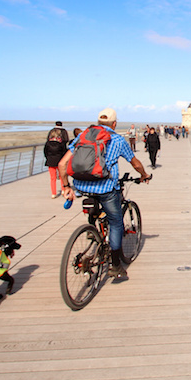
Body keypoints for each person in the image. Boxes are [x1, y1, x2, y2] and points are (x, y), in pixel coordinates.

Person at [59, 108, 151, 279]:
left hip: (81, 186)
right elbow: (135, 163)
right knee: (116, 223)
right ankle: (115, 266)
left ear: (99, 122)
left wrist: (66, 187)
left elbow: (62, 164)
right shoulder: (117, 139)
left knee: (95, 205)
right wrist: (144, 175)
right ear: (114, 124)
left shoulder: (83, 135)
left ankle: (92, 228)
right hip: (106, 187)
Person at [43, 130, 68, 198]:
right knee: (62, 176)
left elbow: (45, 152)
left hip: (50, 161)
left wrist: (48, 158)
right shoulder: (61, 143)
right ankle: (63, 190)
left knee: (52, 178)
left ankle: (53, 193)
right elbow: (64, 152)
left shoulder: (48, 143)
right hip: (59, 161)